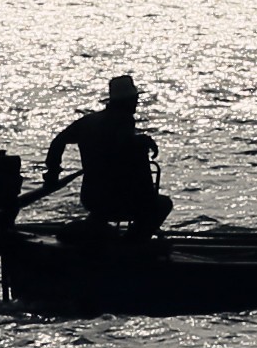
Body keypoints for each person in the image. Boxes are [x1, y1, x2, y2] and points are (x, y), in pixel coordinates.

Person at [40, 74, 171, 233]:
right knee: (162, 205)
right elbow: (120, 150)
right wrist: (142, 143)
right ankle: (132, 245)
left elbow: (58, 141)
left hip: (90, 198)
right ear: (127, 101)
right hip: (117, 199)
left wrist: (53, 172)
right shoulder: (125, 121)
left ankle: (101, 229)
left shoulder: (88, 121)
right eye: (134, 99)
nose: (136, 103)